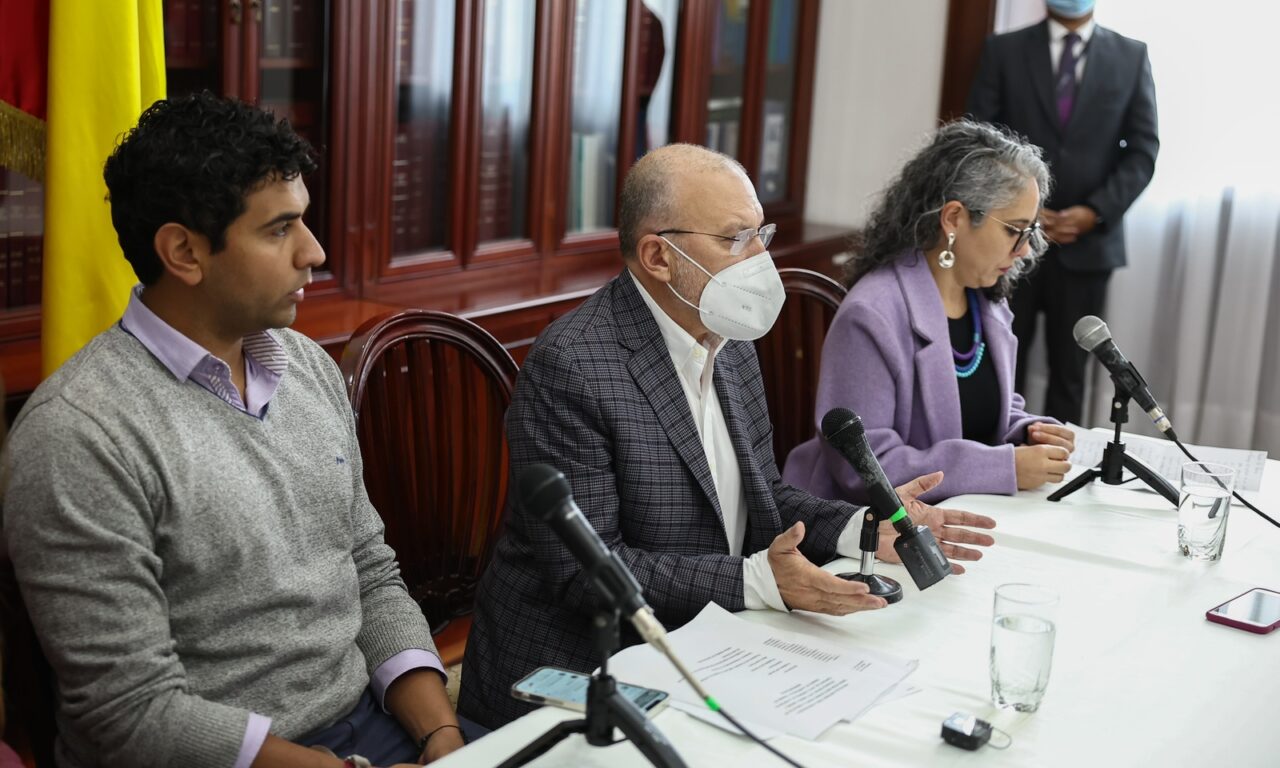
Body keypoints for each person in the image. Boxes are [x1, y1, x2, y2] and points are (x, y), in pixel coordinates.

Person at [457, 143, 998, 729]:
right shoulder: (573, 364)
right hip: (582, 669)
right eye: (735, 238)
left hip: (711, 641)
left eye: (761, 233)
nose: (760, 258)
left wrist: (865, 527)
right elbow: (587, 570)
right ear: (658, 257)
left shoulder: (730, 338)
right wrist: (758, 580)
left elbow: (760, 496)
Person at [1, 94, 465, 768]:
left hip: (371, 720)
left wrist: (442, 737)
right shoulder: (78, 434)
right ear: (184, 252)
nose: (314, 251)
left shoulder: (306, 366)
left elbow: (370, 572)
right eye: (279, 230)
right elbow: (130, 713)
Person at [784, 120, 1076, 505]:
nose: (1024, 249)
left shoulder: (986, 301)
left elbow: (981, 412)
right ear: (953, 218)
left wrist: (1026, 431)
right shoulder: (872, 314)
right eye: (1013, 230)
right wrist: (1002, 466)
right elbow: (863, 465)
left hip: (959, 511)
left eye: (1030, 231)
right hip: (874, 527)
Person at [966, 0, 1159, 425]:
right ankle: (995, 452)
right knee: (999, 363)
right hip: (1009, 240)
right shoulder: (1003, 50)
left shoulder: (1131, 55)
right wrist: (1026, 212)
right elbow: (979, 138)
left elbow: (1142, 151)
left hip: (1088, 247)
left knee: (1071, 376)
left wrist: (1095, 212)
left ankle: (1059, 458)